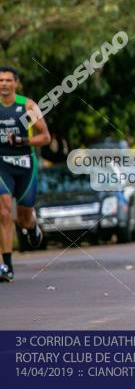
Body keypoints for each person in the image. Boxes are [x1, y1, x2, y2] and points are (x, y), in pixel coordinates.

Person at [0, 66, 51, 282]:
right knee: (3, 212)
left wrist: (24, 141)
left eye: (8, 80)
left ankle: (32, 227)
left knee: (23, 217)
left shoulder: (27, 106)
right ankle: (7, 267)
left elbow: (46, 137)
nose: (3, 84)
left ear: (16, 83)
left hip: (25, 166)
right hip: (2, 165)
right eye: (0, 80)